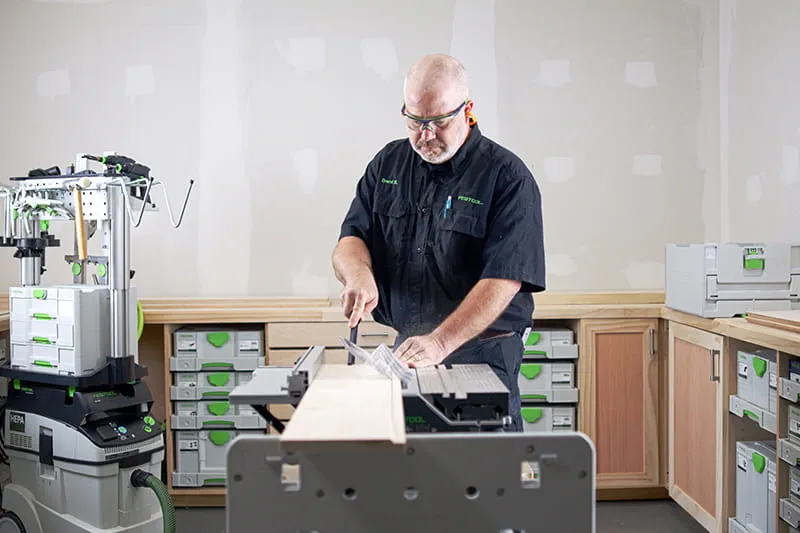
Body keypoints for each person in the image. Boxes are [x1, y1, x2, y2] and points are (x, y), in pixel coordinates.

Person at [331, 53, 545, 431]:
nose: (425, 135)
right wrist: (358, 274)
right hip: (412, 348)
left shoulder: (507, 177)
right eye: (415, 122)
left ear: (468, 110)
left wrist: (441, 343)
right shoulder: (388, 164)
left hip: (483, 351)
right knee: (409, 458)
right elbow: (351, 238)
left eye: (438, 122)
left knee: (481, 461)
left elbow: (504, 279)